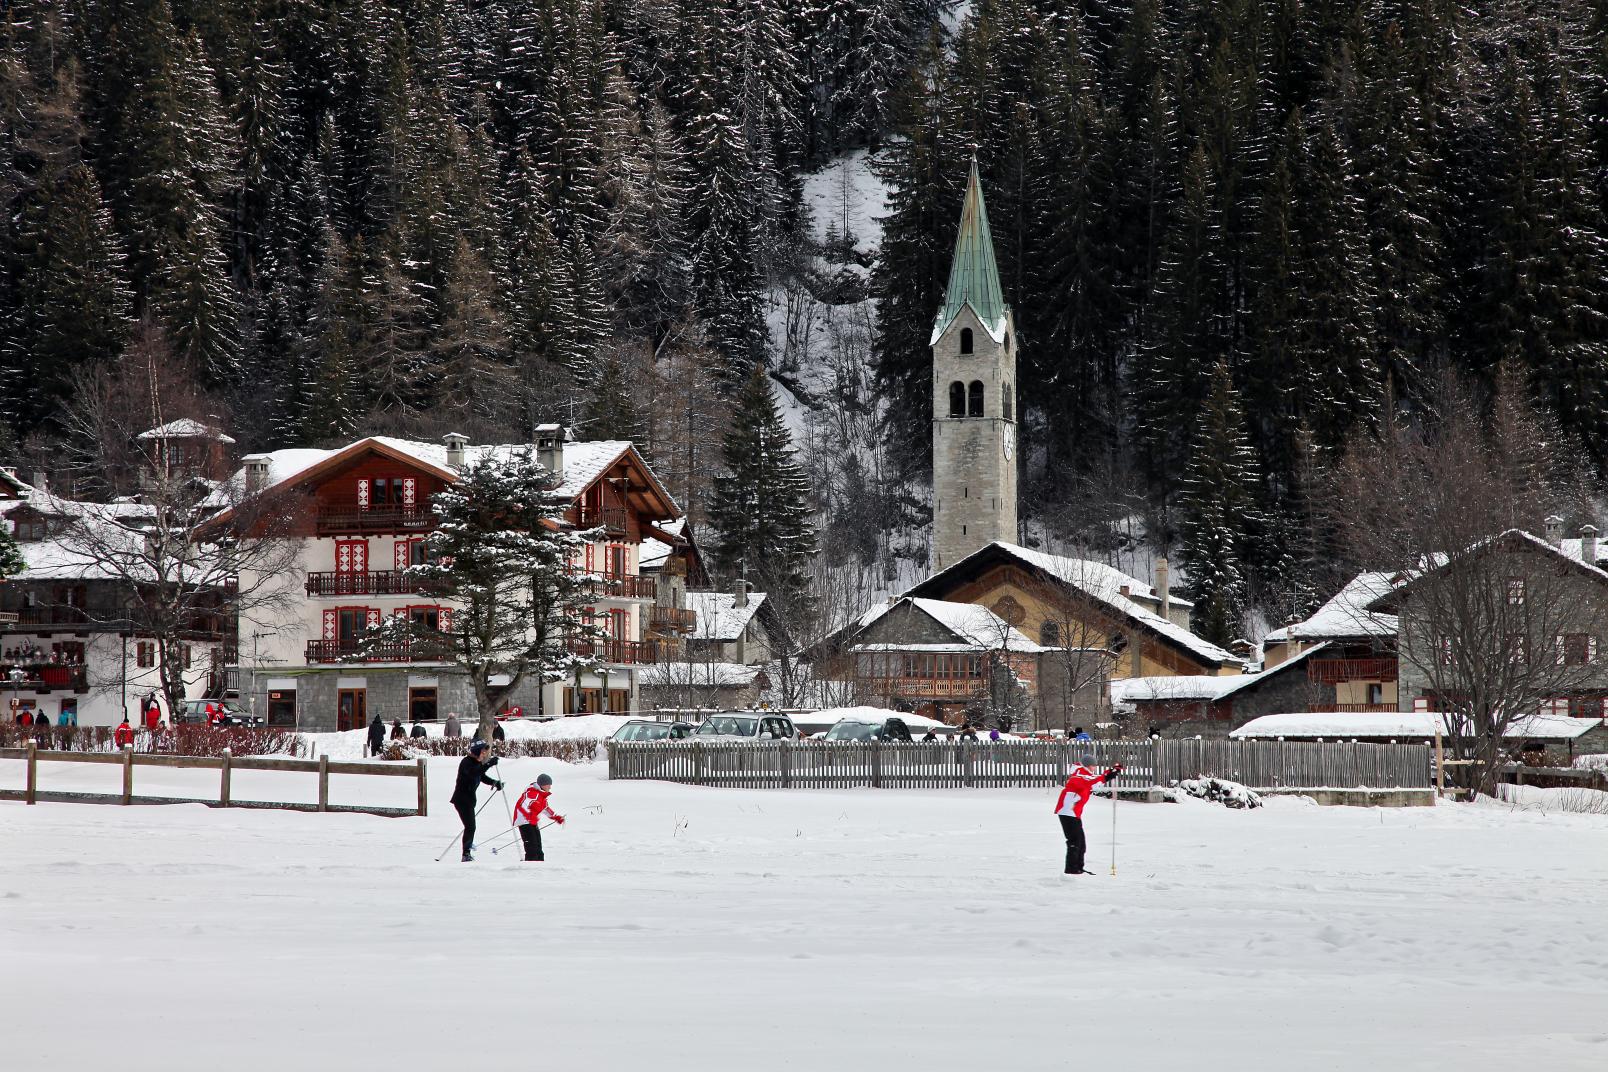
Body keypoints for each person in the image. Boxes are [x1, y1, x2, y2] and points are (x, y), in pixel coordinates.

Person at [1054, 755, 1123, 876]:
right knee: (1074, 841)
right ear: (1087, 765)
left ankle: (1078, 868)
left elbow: (1093, 779)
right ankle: (1071, 870)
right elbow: (1092, 783)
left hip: (1073, 812)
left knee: (1081, 842)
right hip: (1067, 811)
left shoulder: (1083, 773)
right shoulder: (1078, 775)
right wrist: (1107, 776)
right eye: (1093, 765)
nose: (1095, 768)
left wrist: (1111, 771)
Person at [449, 740, 503, 862]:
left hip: (469, 800)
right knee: (470, 827)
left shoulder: (476, 763)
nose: (484, 754)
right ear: (477, 751)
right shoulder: (466, 763)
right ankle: (466, 854)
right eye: (483, 752)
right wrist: (488, 764)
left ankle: (467, 852)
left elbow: (481, 776)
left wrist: (494, 782)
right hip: (462, 800)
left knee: (470, 826)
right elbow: (473, 774)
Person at [511, 773, 565, 862]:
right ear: (543, 785)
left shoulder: (541, 795)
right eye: (549, 785)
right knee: (532, 848)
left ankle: (540, 866)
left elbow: (546, 809)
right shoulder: (532, 794)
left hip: (532, 821)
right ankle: (530, 867)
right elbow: (521, 805)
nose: (550, 787)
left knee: (538, 848)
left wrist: (556, 817)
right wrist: (529, 816)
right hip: (524, 822)